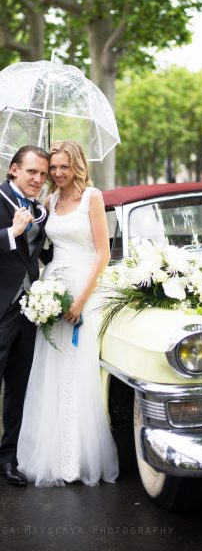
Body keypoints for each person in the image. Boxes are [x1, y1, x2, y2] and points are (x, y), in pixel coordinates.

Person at [17, 140, 119, 487]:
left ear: (77, 165)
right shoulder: (49, 200)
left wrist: (79, 302)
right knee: (50, 371)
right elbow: (41, 246)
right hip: (52, 287)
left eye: (63, 166)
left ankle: (74, 460)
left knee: (76, 370)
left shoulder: (93, 197)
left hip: (83, 288)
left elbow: (103, 254)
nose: (57, 173)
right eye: (53, 168)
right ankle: (48, 455)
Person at [0, 146, 50, 486]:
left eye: (43, 174)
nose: (38, 179)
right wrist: (11, 233)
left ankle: (8, 459)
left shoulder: (38, 209)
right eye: (32, 171)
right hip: (0, 308)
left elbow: (41, 252)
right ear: (14, 170)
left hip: (29, 310)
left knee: (19, 388)